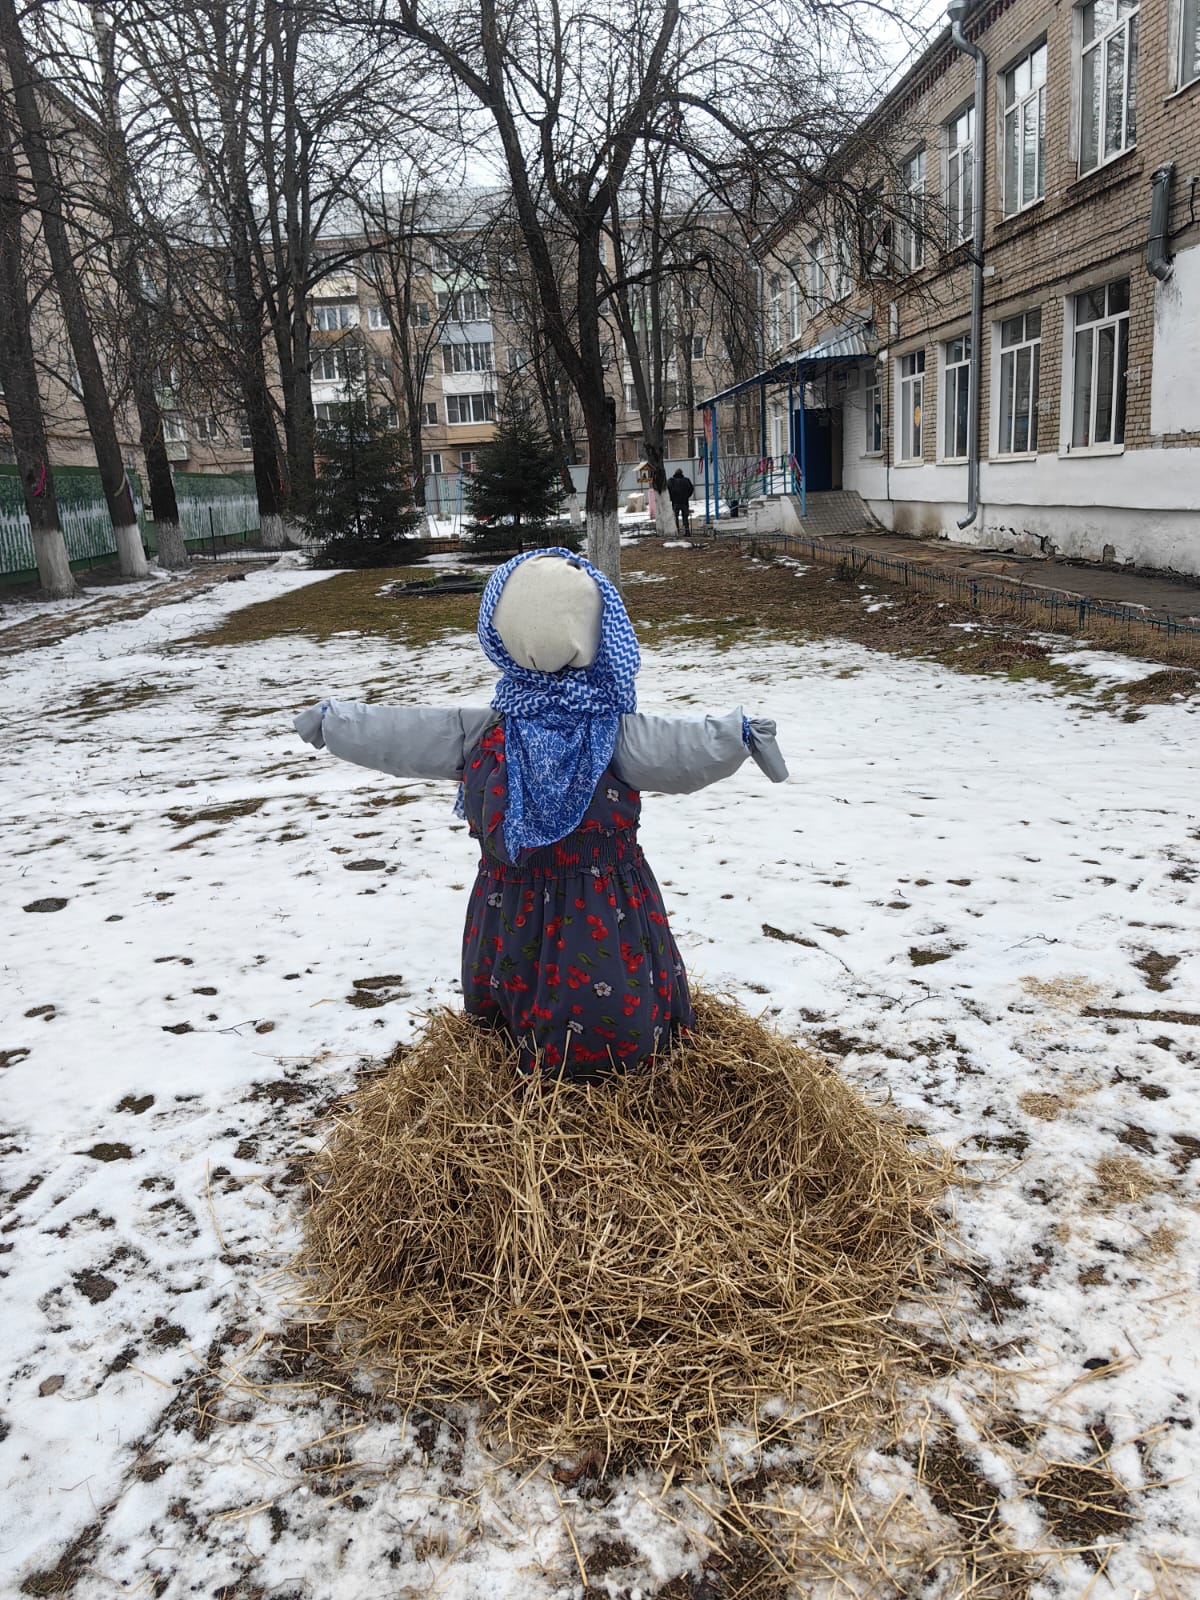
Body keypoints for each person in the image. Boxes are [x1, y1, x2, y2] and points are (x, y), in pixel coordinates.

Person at [294, 549, 786, 1082]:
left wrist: (335, 723)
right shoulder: (611, 731)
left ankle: (593, 1086)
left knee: (552, 997)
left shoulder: (489, 730)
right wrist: (738, 736)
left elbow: (406, 735)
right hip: (598, 906)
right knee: (596, 998)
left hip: (523, 906)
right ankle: (578, 1073)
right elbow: (683, 750)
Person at [667, 468, 695, 535]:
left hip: (675, 502)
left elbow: (667, 490)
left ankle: (676, 531)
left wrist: (671, 498)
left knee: (675, 517)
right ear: (682, 473)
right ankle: (687, 531)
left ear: (675, 473)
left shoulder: (671, 481)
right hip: (684, 502)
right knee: (685, 517)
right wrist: (687, 496)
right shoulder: (686, 480)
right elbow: (691, 489)